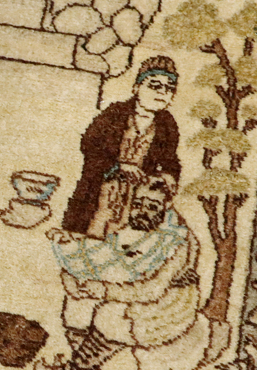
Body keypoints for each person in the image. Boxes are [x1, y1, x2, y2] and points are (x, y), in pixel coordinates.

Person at [37, 174, 212, 370]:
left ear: (167, 205)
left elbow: (152, 290)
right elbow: (107, 256)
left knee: (111, 317)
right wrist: (73, 259)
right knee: (77, 302)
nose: (143, 211)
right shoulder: (136, 227)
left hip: (168, 303)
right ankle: (84, 363)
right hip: (131, 289)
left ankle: (79, 367)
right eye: (138, 204)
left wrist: (104, 290)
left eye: (152, 206)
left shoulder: (176, 241)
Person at [60, 55, 182, 239]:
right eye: (154, 85)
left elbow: (170, 160)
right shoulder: (115, 113)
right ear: (136, 88)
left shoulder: (167, 124)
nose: (162, 92)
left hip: (137, 198)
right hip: (102, 190)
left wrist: (168, 175)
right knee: (91, 237)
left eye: (169, 88)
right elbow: (90, 145)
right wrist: (119, 166)